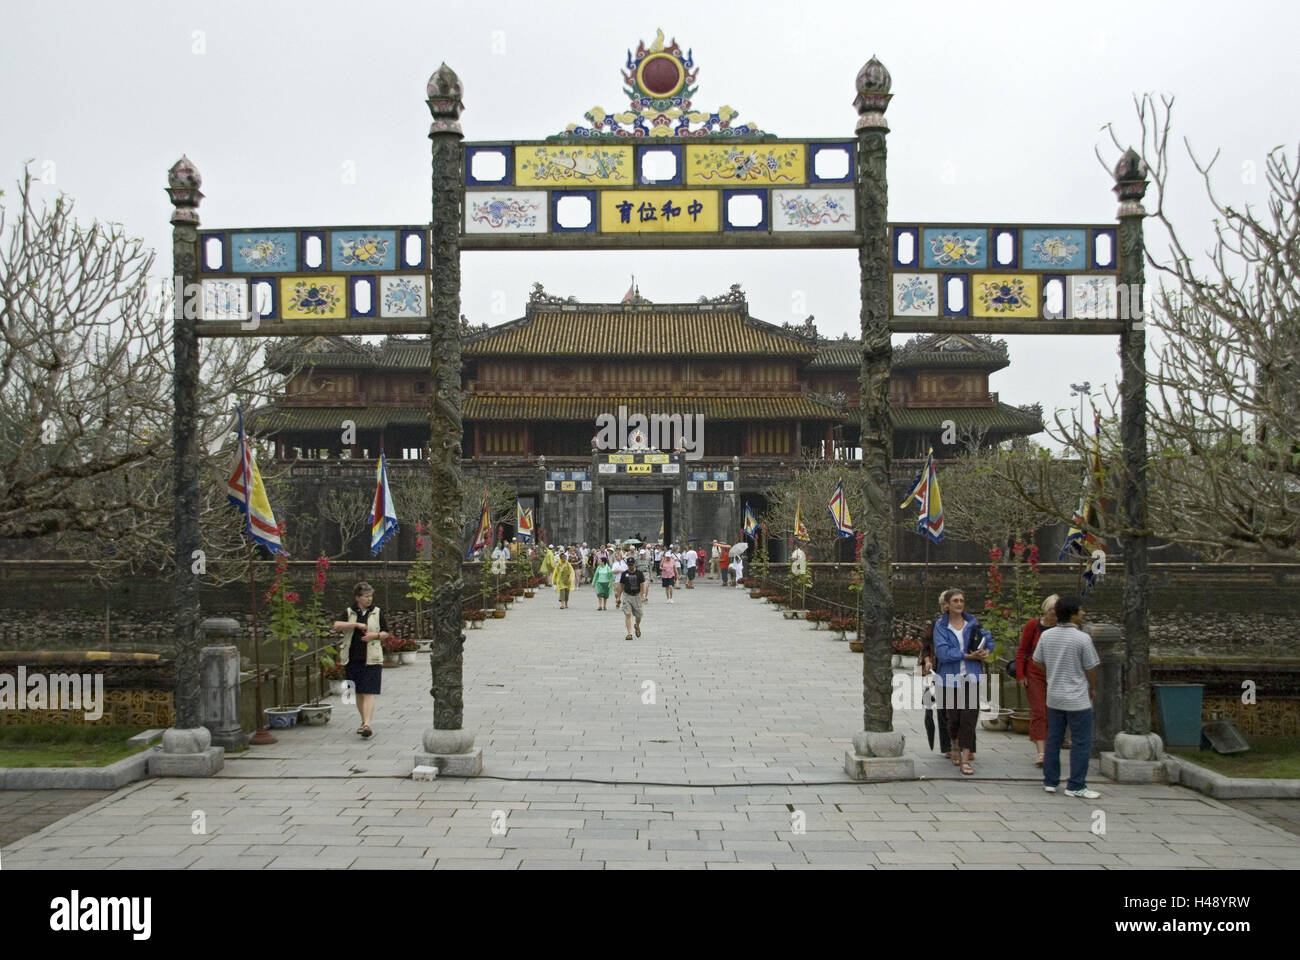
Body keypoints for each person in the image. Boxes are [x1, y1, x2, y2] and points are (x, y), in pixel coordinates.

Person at [1034, 596, 1101, 798]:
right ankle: (1076, 784)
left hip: (1054, 696)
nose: (1083, 613)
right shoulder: (1082, 638)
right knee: (1081, 741)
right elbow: (1091, 667)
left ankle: (1050, 780)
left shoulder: (1047, 636)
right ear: (1072, 614)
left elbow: (1037, 661)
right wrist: (1092, 687)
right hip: (1077, 698)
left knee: (1054, 738)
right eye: (1080, 610)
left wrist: (1053, 671)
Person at [932, 588, 991, 776]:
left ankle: (966, 758)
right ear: (947, 605)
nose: (959, 603)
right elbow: (942, 652)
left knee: (969, 717)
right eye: (955, 601)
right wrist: (966, 655)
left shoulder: (972, 623)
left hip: (971, 676)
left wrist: (985, 651)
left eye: (961, 600)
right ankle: (954, 744)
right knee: (954, 718)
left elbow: (986, 639)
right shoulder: (941, 627)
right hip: (949, 678)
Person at [330, 581, 390, 739]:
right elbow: (336, 625)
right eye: (365, 596)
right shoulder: (350, 612)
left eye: (370, 596)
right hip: (352, 658)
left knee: (369, 691)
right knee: (358, 691)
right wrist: (355, 624)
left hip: (373, 657)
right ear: (358, 598)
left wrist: (375, 636)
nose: (369, 599)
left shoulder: (377, 612)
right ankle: (364, 722)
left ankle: (367, 724)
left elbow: (386, 633)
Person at [1016, 594, 1060, 766]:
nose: (1054, 615)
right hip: (1035, 673)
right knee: (1039, 711)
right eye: (1051, 611)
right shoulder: (1033, 625)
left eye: (1057, 612)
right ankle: (1041, 752)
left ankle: (1052, 745)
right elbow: (1022, 650)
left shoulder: (1063, 627)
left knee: (1055, 712)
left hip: (1056, 674)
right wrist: (1021, 674)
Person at [620, 556, 649, 640]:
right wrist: (618, 597)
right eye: (629, 565)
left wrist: (643, 594)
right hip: (627, 595)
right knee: (628, 615)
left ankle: (637, 625)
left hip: (636, 596)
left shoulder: (639, 573)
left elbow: (643, 584)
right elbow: (621, 585)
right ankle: (629, 634)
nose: (630, 566)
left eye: (632, 565)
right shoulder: (624, 574)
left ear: (634, 564)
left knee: (639, 615)